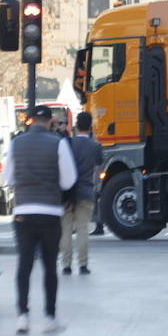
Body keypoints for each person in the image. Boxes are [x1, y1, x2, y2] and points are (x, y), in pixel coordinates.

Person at [4, 105, 77, 334]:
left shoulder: (16, 144)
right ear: (50, 121)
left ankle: (22, 317)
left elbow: (8, 178)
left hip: (24, 211)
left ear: (31, 120)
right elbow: (68, 180)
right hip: (50, 211)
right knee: (49, 267)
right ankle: (49, 318)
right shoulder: (59, 143)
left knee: (24, 266)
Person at [61, 110, 104, 276]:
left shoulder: (67, 143)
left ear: (76, 126)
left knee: (66, 229)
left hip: (67, 192)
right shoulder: (95, 146)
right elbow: (99, 161)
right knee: (83, 229)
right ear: (90, 126)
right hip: (86, 191)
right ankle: (83, 264)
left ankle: (66, 264)